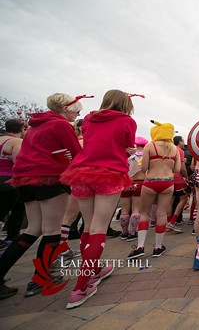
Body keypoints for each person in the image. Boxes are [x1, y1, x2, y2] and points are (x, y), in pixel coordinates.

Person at [0, 94, 83, 300]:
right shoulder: (61, 126)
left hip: (25, 180)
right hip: (49, 178)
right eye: (76, 109)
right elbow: (75, 153)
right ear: (64, 108)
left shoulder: (34, 126)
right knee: (52, 231)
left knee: (32, 229)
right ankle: (40, 279)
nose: (78, 113)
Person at [60, 90, 138, 309]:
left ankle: (93, 270)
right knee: (99, 228)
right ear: (125, 103)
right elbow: (126, 145)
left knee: (89, 225)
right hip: (110, 172)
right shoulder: (127, 121)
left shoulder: (89, 120)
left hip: (82, 172)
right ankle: (80, 288)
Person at [128, 121, 180, 259]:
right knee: (161, 214)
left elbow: (143, 168)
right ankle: (158, 247)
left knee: (144, 213)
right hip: (168, 183)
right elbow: (177, 170)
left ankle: (140, 247)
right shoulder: (175, 149)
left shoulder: (150, 146)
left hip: (151, 181)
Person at [0, 119, 26, 246]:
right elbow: (18, 163)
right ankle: (12, 237)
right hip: (8, 181)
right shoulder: (16, 142)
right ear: (22, 128)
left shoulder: (1, 140)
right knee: (17, 209)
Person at [119, 136, 148, 241]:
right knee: (136, 208)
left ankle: (124, 232)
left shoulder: (127, 156)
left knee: (124, 210)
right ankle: (132, 232)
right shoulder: (145, 156)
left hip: (125, 183)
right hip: (139, 183)